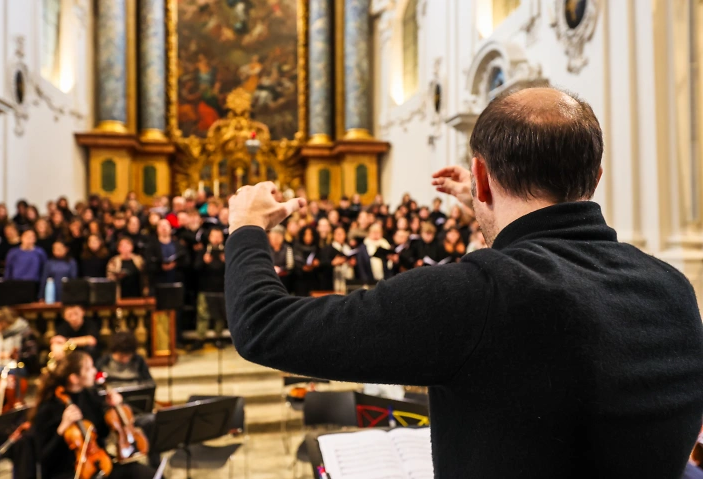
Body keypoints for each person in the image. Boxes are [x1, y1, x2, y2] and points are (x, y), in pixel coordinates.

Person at [224, 87, 703, 478]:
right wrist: (482, 203)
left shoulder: (475, 296)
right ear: (595, 177)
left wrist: (246, 227)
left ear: (481, 175)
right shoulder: (671, 287)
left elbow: (264, 326)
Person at [30, 350, 156, 479]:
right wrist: (62, 427)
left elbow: (101, 434)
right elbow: (43, 457)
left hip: (99, 464)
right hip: (67, 472)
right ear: (74, 378)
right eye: (89, 369)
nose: (95, 372)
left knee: (147, 474)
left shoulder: (89, 395)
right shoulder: (48, 408)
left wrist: (112, 409)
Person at [194, 227, 226, 349]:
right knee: (203, 315)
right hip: (205, 288)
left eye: (219, 236)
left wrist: (227, 262)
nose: (217, 239)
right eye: (214, 236)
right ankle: (200, 338)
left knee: (220, 316)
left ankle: (218, 337)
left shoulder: (227, 251)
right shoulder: (203, 251)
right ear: (210, 238)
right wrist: (204, 262)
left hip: (221, 289)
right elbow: (195, 269)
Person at [0, 307, 39, 374]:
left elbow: (31, 356)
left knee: (3, 371)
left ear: (4, 322)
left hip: (20, 366)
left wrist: (17, 356)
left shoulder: (24, 332)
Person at [145, 219, 189, 293]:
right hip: (158, 282)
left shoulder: (179, 245)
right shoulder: (151, 246)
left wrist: (175, 264)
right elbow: (148, 263)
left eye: (166, 226)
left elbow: (186, 261)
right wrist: (160, 267)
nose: (164, 228)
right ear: (157, 229)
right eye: (161, 226)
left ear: (170, 229)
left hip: (176, 282)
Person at [292, 226, 319, 296]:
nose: (308, 237)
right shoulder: (296, 247)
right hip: (300, 280)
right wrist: (302, 267)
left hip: (314, 280)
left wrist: (316, 264)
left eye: (310, 234)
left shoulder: (317, 248)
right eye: (306, 234)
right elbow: (295, 263)